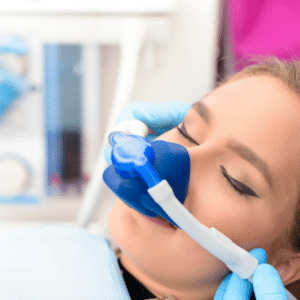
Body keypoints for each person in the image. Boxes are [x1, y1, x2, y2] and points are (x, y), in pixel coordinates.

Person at [106, 58, 300, 300]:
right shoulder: (63, 247)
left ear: (285, 266)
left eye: (234, 180)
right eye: (187, 130)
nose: (159, 162)